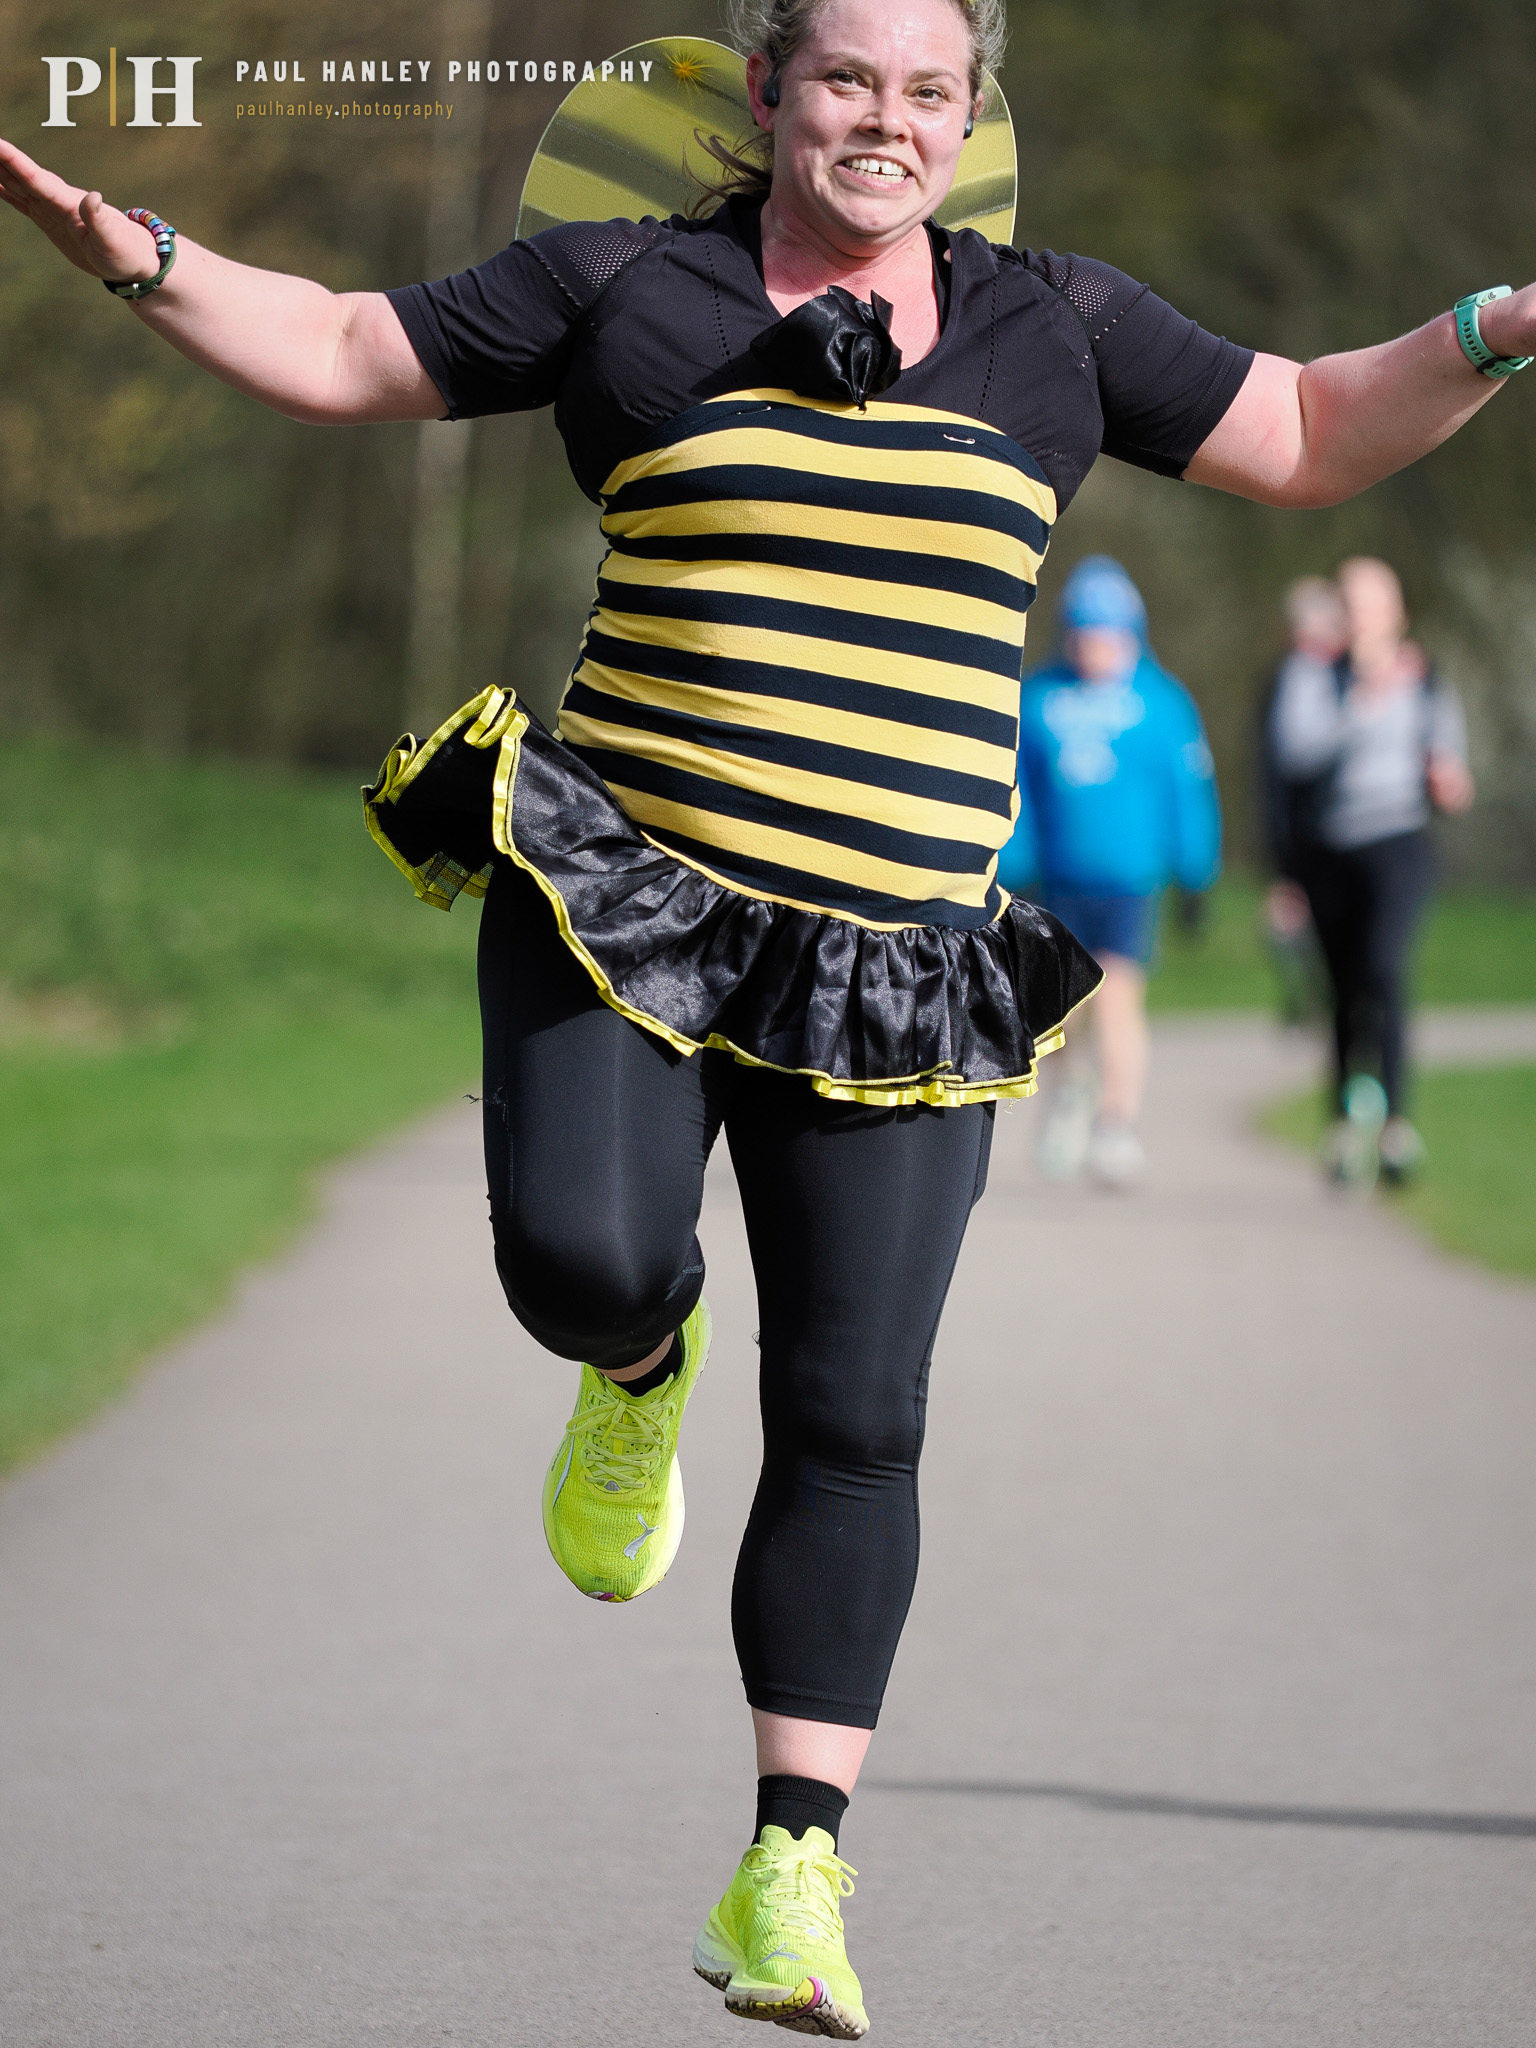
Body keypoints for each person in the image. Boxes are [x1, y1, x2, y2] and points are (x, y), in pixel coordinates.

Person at [4, 0, 1533, 2029]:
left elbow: (1317, 429)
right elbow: (359, 349)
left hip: (893, 957)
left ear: (973, 112)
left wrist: (1496, 325)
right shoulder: (632, 283)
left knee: (858, 1411)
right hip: (627, 893)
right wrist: (150, 260)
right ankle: (636, 1360)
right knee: (581, 1251)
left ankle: (791, 1867)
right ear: (767, 93)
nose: (882, 122)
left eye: (927, 89)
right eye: (843, 80)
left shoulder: (1056, 328)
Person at [1000, 555, 1221, 1188]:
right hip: (1058, 881)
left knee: (1119, 999)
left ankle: (1117, 1124)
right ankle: (1070, 1099)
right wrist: (1014, 864)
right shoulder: (1038, 698)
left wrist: (1196, 872)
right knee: (1065, 1011)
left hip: (1130, 883)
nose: (1094, 647)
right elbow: (1018, 790)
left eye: (1107, 633)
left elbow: (1190, 790)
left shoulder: (1162, 704)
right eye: (1083, 632)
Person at [1270, 557, 1474, 1185]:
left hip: (1399, 841)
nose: (1361, 617)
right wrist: (1361, 702)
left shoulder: (1428, 678)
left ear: (1396, 612)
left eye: (1373, 603)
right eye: (1351, 604)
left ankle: (1396, 1126)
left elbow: (1452, 768)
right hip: (1330, 847)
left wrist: (1448, 780)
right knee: (1342, 989)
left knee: (1385, 969)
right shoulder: (1312, 675)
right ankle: (1338, 1123)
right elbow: (1293, 753)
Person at [1259, 576, 1350, 1026]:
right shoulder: (1282, 683)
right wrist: (1281, 861)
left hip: (1346, 833)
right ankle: (1313, 1004)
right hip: (1300, 840)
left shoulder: (1352, 677)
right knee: (1288, 930)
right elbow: (1272, 776)